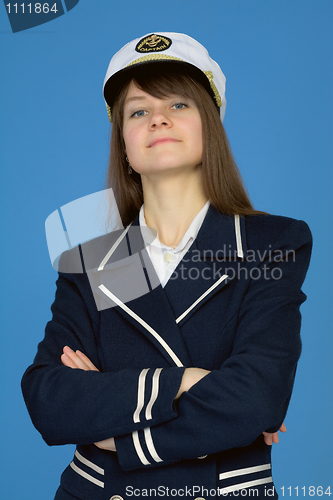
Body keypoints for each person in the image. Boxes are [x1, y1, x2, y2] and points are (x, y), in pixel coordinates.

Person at [21, 32, 312, 500]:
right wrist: (184, 381)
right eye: (138, 111)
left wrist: (115, 432)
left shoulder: (271, 244)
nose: (157, 119)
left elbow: (256, 400)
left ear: (209, 125)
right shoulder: (90, 262)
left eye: (178, 105)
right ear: (125, 145)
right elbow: (49, 398)